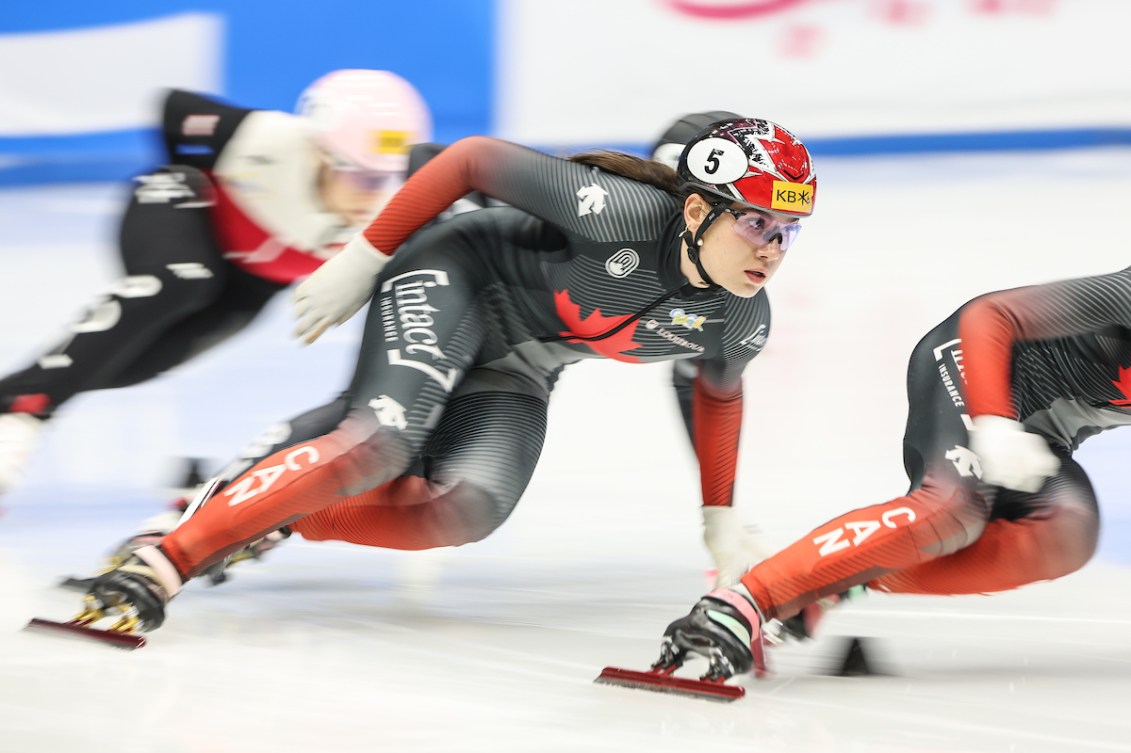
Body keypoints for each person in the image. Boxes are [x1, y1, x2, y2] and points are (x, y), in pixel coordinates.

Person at [68, 115, 818, 634]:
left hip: (521, 363)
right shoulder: (619, 211)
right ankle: (163, 559)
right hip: (457, 277)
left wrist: (717, 515)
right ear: (693, 211)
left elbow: (718, 392)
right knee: (379, 442)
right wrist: (367, 255)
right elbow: (466, 159)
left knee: (464, 509)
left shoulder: (739, 318)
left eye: (786, 231)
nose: (772, 249)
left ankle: (276, 508)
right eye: (755, 222)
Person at [653, 269, 1123, 681]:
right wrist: (993, 420)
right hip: (975, 365)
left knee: (1065, 535)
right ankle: (739, 606)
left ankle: (835, 578)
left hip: (1039, 436)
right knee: (951, 510)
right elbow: (991, 315)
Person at [0, 69, 431, 497]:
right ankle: (23, 411)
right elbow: (174, 107)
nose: (375, 196)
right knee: (182, 281)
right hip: (184, 210)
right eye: (363, 177)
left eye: (390, 179)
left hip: (247, 284)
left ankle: (17, 399)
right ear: (320, 152)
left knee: (134, 362)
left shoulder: (396, 213)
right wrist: (193, 184)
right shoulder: (265, 139)